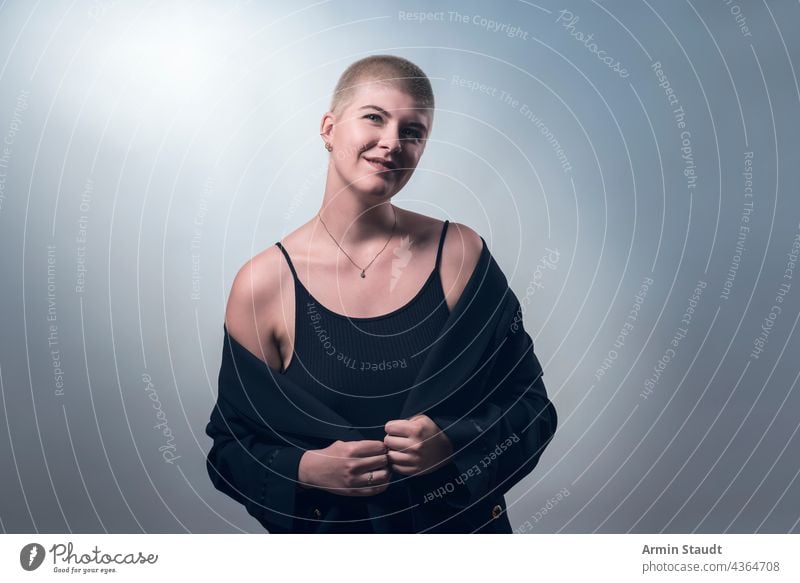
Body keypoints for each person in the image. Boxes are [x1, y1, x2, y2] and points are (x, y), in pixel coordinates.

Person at [206, 54, 557, 533]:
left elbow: (531, 408)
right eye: (374, 116)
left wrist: (452, 444)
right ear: (329, 128)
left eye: (413, 132)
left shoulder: (460, 252)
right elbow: (231, 447)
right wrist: (306, 471)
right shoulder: (263, 284)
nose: (392, 143)